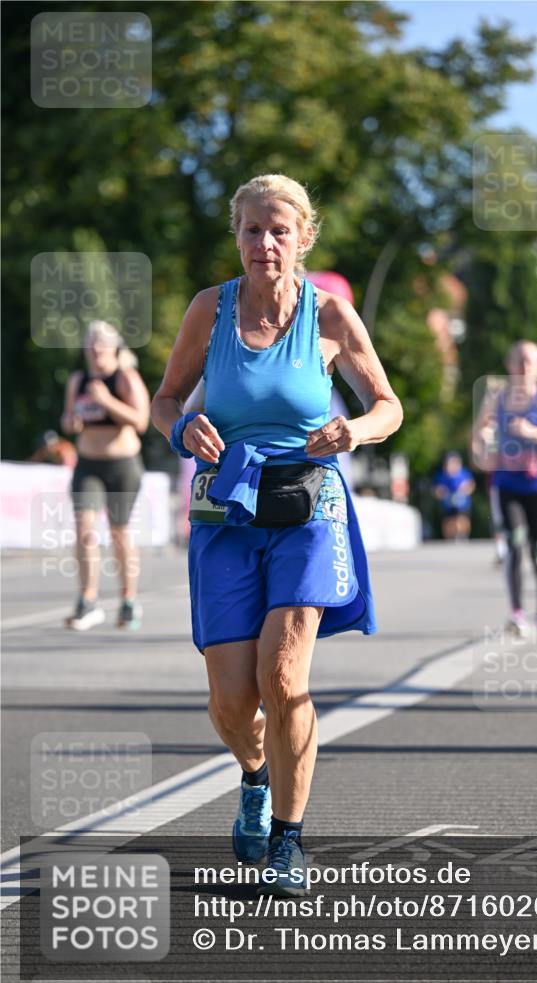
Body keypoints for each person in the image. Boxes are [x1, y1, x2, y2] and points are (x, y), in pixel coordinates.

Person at [151, 174, 402, 896]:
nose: (265, 243)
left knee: (283, 674)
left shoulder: (330, 317)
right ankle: (254, 777)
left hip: (307, 504)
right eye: (252, 230)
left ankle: (290, 841)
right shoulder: (209, 310)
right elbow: (166, 397)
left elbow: (387, 405)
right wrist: (179, 426)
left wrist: (351, 428)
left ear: (303, 238)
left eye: (279, 230)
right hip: (226, 511)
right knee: (231, 701)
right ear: (236, 236)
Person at [472, 341, 537, 636]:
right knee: (514, 546)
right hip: (507, 483)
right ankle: (516, 612)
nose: (525, 368)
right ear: (510, 366)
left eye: (531, 362)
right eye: (520, 362)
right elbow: (479, 432)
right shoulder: (497, 399)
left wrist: (533, 432)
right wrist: (483, 454)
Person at [61, 320, 150, 630]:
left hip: (122, 466)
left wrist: (107, 401)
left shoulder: (124, 378)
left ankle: (128, 600)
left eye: (102, 343)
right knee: (84, 528)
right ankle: (87, 600)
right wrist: (72, 421)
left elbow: (141, 420)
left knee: (119, 533)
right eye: (91, 343)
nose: (96, 349)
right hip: (88, 465)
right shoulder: (78, 380)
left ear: (114, 347)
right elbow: (69, 420)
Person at [432, 451, 475, 540]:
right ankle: (450, 537)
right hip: (447, 503)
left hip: (462, 503)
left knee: (462, 519)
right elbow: (436, 490)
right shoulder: (441, 476)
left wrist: (465, 489)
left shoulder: (464, 473)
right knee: (448, 520)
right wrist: (441, 492)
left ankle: (462, 535)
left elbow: (471, 485)